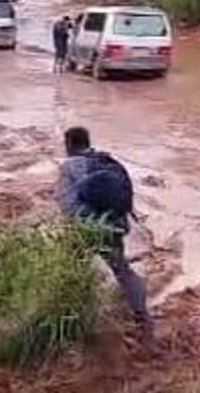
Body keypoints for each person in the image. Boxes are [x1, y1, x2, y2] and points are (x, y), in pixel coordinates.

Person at [55, 127, 153, 341]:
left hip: (83, 229)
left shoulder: (68, 167)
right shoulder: (108, 162)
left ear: (68, 144)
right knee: (123, 272)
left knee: (70, 271)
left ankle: (72, 322)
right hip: (113, 227)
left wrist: (73, 229)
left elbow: (66, 204)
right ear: (88, 142)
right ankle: (143, 319)